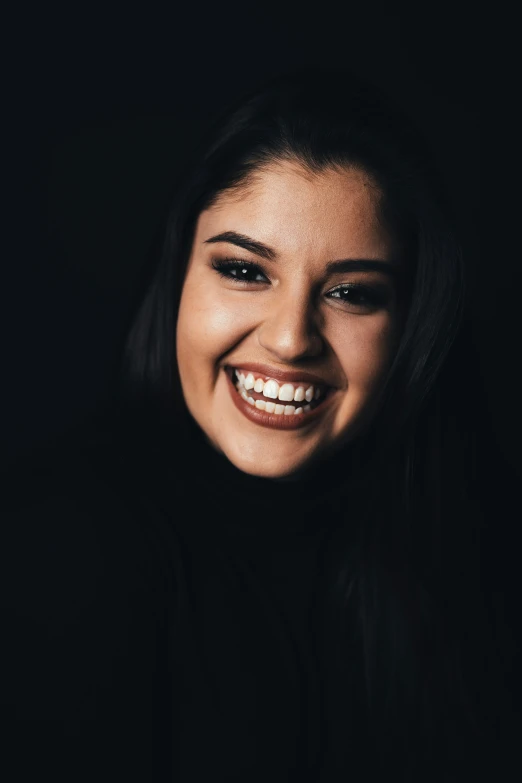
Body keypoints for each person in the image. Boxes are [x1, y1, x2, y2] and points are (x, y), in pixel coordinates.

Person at [1, 67, 519, 782]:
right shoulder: (62, 548)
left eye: (349, 292)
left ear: (413, 328)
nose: (289, 338)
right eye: (245, 271)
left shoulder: (465, 550)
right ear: (178, 274)